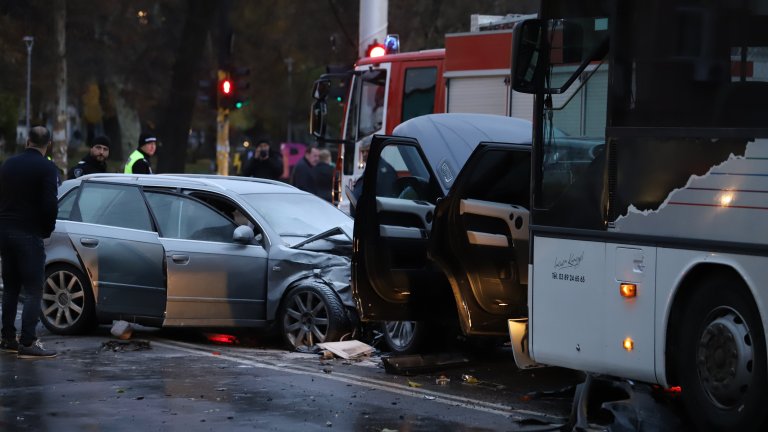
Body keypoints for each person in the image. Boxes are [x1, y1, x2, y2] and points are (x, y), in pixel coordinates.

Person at [0, 126, 59, 358]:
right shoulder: (47, 168)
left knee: (11, 288)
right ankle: (27, 341)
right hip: (29, 234)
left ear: (27, 141)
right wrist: (46, 229)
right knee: (34, 289)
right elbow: (50, 204)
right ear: (49, 144)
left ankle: (6, 338)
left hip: (5, 232)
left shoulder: (8, 164)